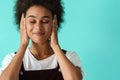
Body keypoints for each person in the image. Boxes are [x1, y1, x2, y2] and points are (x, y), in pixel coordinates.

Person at [0, 0, 83, 80]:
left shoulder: (69, 57)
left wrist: (55, 46)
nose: (38, 27)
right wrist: (23, 45)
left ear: (55, 23)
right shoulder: (11, 59)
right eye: (32, 21)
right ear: (23, 23)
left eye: (45, 21)